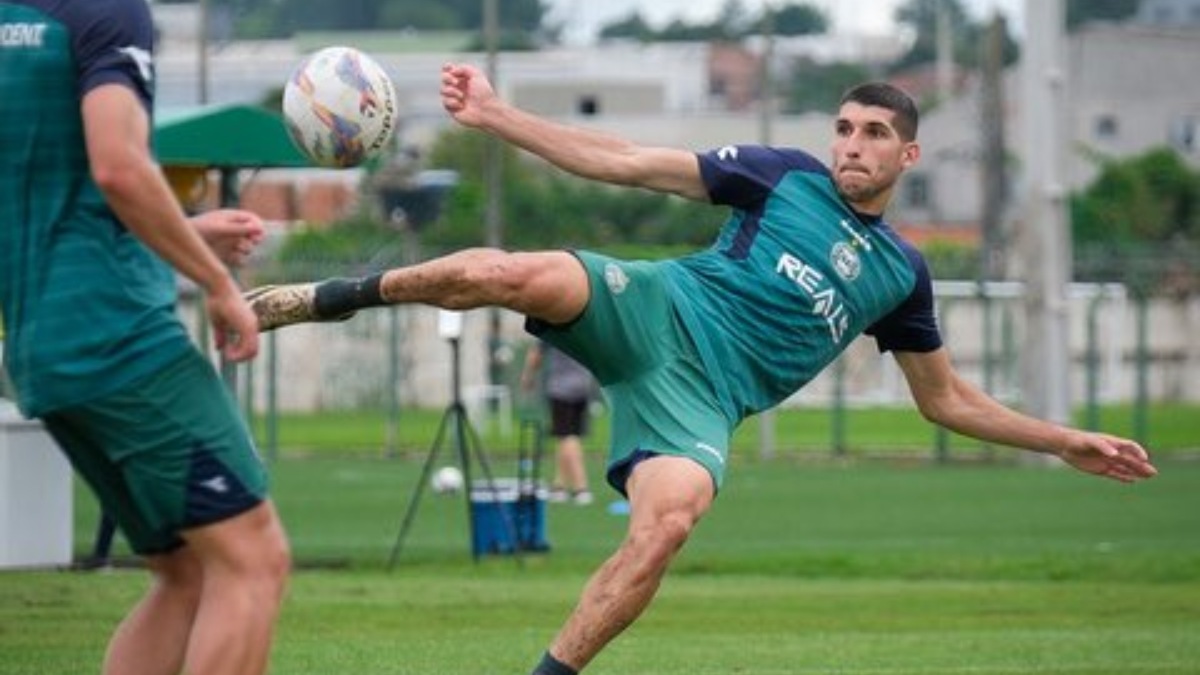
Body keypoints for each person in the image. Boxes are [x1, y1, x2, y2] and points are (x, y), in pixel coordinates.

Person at [244, 62, 1158, 674]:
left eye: (874, 132)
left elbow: (945, 398)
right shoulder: (781, 176)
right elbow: (627, 161)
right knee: (498, 269)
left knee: (665, 527)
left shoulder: (901, 273)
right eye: (843, 126)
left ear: (906, 154)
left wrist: (1063, 435)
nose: (851, 144)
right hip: (655, 305)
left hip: (703, 402)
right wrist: (492, 116)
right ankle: (315, 298)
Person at [0, 3, 290, 675]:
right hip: (120, 339)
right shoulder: (109, 10)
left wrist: (185, 231)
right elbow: (119, 169)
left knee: (185, 572)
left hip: (44, 348)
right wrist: (216, 281)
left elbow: (54, 197)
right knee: (253, 559)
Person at [521, 340, 596, 505]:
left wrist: (528, 376)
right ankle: (559, 486)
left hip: (560, 389)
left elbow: (536, 353)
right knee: (566, 438)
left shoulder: (550, 320)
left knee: (567, 436)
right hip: (583, 386)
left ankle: (581, 488)